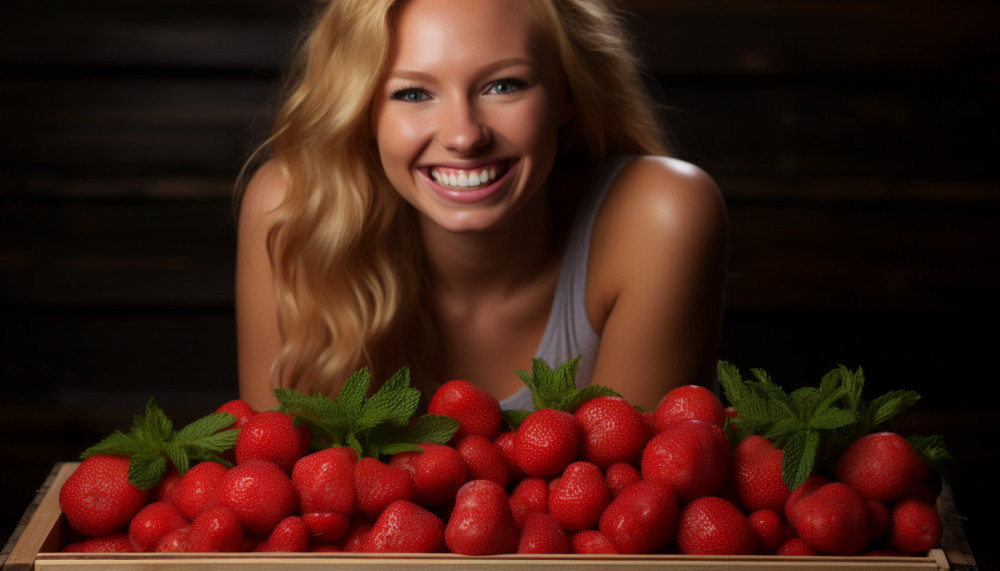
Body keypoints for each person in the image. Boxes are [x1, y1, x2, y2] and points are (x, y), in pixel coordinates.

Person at [235, 0, 728, 413]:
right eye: (412, 93)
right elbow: (275, 503)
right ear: (364, 113)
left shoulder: (659, 217)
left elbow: (626, 512)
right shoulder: (293, 213)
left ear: (567, 94)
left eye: (504, 85)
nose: (464, 136)